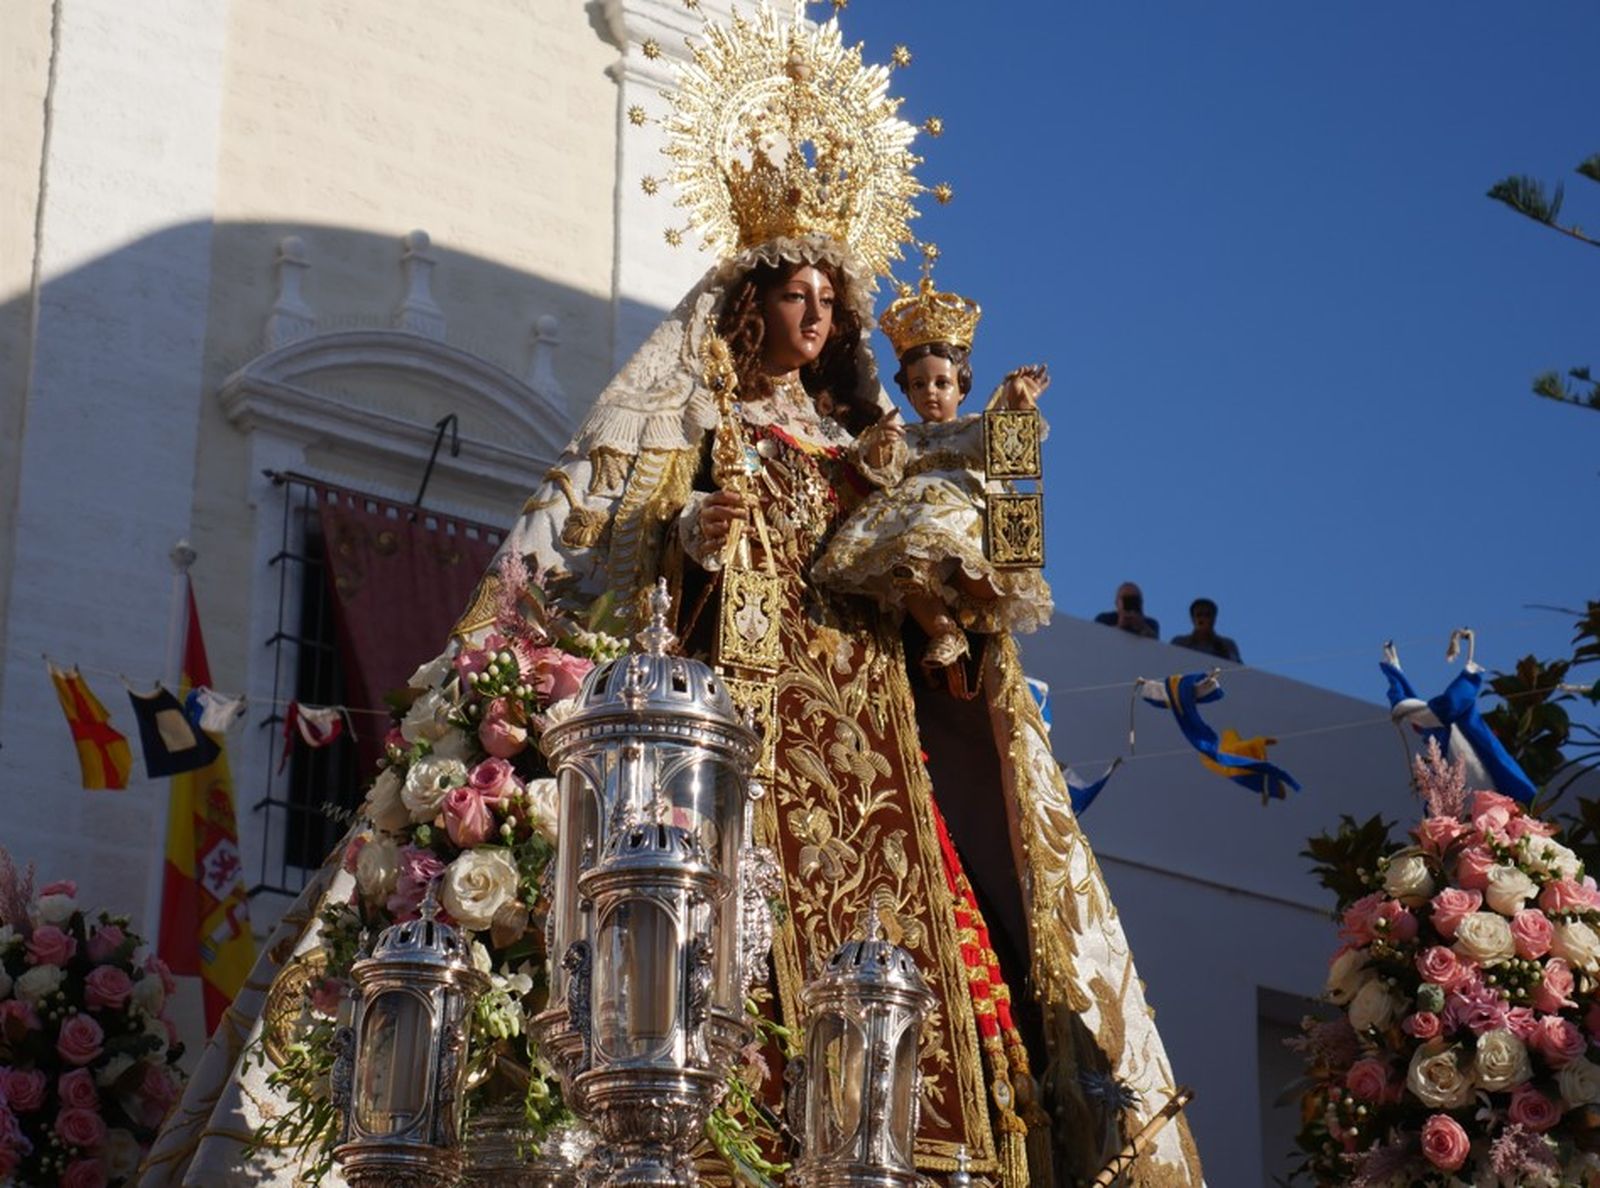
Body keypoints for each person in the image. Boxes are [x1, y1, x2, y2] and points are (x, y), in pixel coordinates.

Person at [143, 11, 1201, 1188]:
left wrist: (988, 489)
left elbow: (972, 589)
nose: (817, 317)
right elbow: (606, 588)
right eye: (796, 293)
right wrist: (690, 540)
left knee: (929, 964)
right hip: (740, 742)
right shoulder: (694, 434)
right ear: (750, 301)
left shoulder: (868, 453)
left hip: (874, 752)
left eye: (829, 301)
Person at [811, 272, 1053, 676]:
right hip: (909, 524)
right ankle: (942, 629)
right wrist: (883, 444)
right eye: (918, 384)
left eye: (943, 382)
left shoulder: (974, 427)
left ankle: (955, 609)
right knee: (905, 567)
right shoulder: (904, 434)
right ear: (905, 392)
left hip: (963, 521)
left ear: (962, 387)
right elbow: (880, 473)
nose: (931, 392)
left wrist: (1018, 402)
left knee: (927, 544)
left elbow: (1013, 449)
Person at [1171, 596, 1242, 663]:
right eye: (1199, 615)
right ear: (1192, 619)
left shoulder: (1227, 645)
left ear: (1214, 619)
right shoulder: (1179, 643)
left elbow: (1238, 670)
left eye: (1207, 615)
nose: (1203, 618)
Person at [1094, 581, 1159, 638]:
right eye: (1126, 599)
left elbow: (1156, 646)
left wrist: (1142, 627)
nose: (1130, 603)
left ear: (1141, 603)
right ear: (1117, 603)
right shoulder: (1104, 619)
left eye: (1134, 599)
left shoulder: (1150, 623)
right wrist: (1120, 626)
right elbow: (1097, 639)